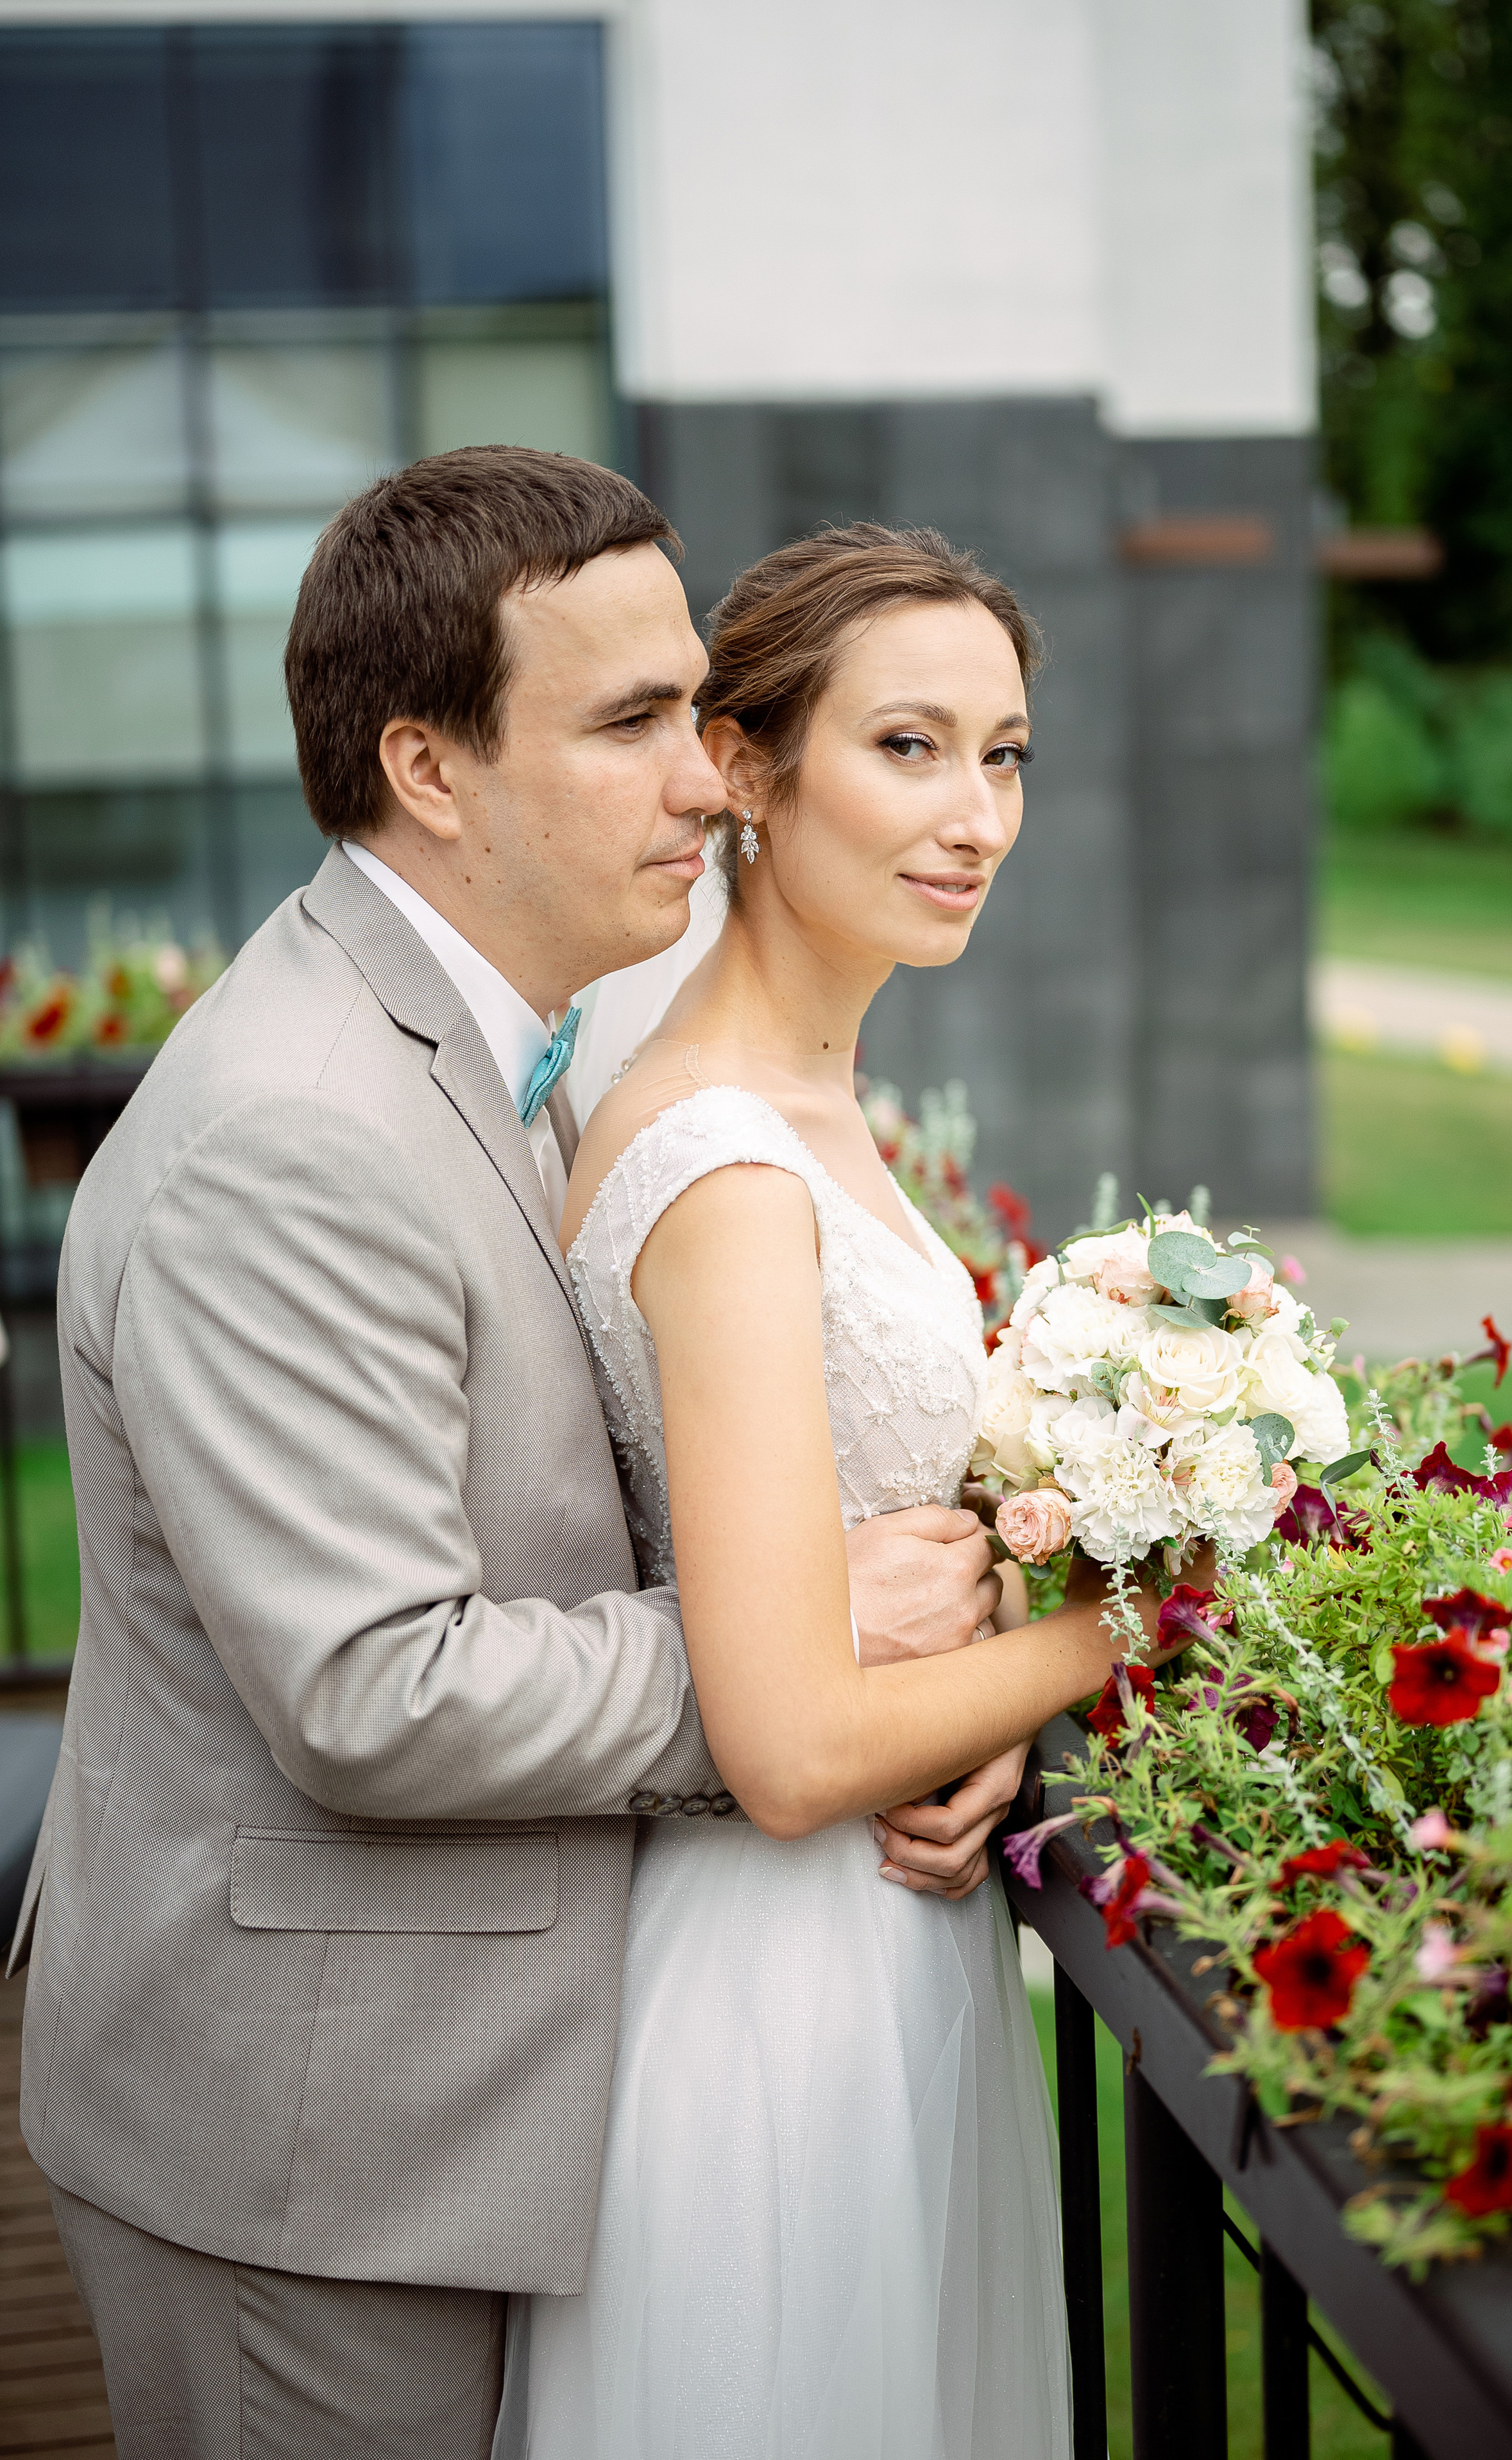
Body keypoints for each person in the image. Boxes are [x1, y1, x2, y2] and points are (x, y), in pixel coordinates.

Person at [8, 453, 1020, 2460]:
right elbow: (374, 1684)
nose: (709, 777)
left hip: (485, 2085)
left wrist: (930, 1683)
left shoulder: (488, 1041)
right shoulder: (294, 1130)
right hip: (306, 2150)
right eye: (633, 722)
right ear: (432, 769)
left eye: (698, 712)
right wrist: (804, 1662)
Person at [504, 525, 1169, 2460]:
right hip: (779, 1996)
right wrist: (1106, 1633)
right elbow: (791, 1744)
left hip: (894, 1938)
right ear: (745, 766)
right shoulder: (725, 1162)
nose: (977, 814)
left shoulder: (806, 1101)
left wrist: (972, 1703)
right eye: (910, 746)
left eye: (1009, 753)